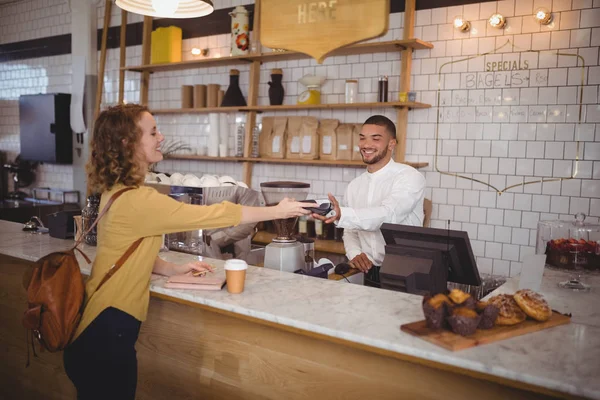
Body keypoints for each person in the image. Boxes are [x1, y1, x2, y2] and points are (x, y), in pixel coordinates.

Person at [63, 104, 310, 400]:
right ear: (127, 143)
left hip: (94, 330)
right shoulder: (140, 200)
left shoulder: (116, 191)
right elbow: (212, 215)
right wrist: (276, 210)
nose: (161, 137)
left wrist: (170, 268)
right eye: (153, 132)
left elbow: (122, 249)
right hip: (107, 334)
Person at [313, 115, 425, 287]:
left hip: (406, 273)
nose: (366, 145)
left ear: (391, 144)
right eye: (362, 138)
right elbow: (350, 231)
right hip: (367, 272)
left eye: (376, 139)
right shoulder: (354, 186)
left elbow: (389, 215)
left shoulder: (409, 177)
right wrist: (355, 253)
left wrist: (342, 213)